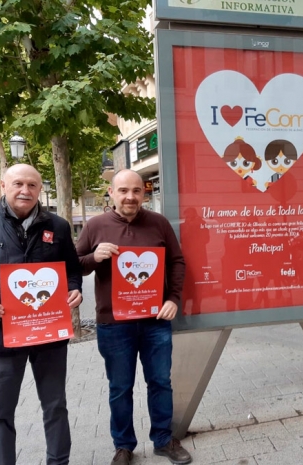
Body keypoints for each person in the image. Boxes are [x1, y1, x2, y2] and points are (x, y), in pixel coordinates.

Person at [0, 164, 83, 465]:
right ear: (3, 186)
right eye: (18, 184)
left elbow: (72, 270)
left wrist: (74, 289)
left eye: (32, 185)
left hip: (49, 336)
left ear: (40, 189)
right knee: (0, 415)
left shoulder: (59, 226)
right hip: (1, 337)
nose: (25, 190)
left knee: (56, 407)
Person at [76, 169, 191, 465]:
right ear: (111, 193)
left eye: (137, 191)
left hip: (155, 321)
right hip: (114, 324)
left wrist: (173, 298)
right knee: (120, 387)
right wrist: (94, 257)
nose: (130, 196)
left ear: (144, 193)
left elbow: (177, 261)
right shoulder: (95, 226)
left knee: (160, 382)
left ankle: (163, 440)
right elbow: (74, 265)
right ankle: (124, 446)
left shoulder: (159, 223)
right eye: (123, 190)